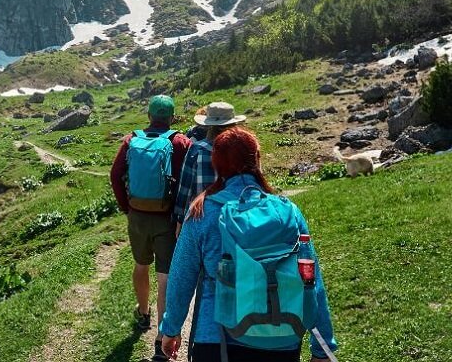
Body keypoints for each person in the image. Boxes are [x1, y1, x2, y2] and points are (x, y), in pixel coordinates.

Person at [159, 128, 337, 362]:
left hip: (216, 338)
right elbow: (311, 280)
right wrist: (322, 346)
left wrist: (171, 329)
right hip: (281, 336)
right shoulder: (287, 212)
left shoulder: (203, 212)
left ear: (217, 165)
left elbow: (181, 278)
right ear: (257, 160)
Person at [110, 95, 192, 362]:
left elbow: (115, 174)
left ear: (149, 116)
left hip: (137, 215)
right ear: (171, 117)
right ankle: (160, 339)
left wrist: (127, 207)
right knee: (164, 278)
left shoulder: (131, 140)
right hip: (166, 219)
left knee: (140, 264)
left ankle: (143, 313)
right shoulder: (178, 142)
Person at [172, 102, 246, 233]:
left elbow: (185, 188)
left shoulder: (197, 149)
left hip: (203, 217)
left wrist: (180, 219)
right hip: (237, 218)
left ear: (209, 125)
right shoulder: (243, 149)